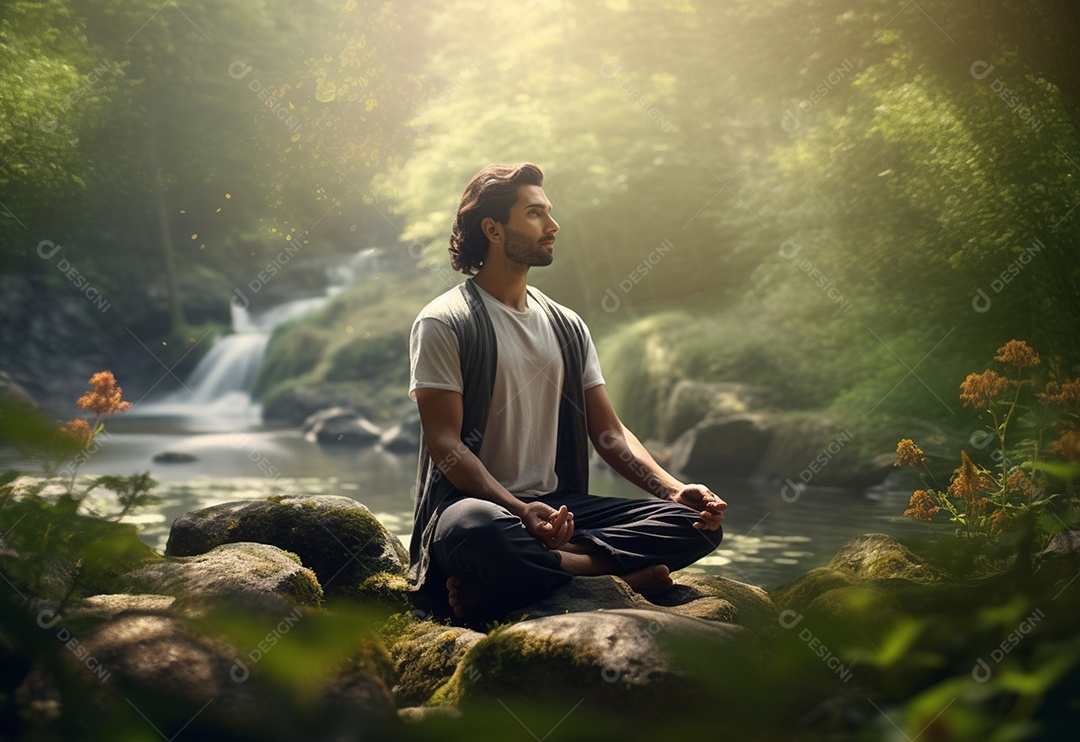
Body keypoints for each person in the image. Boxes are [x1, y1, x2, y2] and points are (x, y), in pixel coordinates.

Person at [407, 162, 727, 627]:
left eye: (549, 212)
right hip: (481, 511)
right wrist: (519, 510)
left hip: (561, 514)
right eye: (535, 213)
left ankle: (535, 583)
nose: (552, 225)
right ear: (493, 229)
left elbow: (610, 434)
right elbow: (446, 446)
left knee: (695, 526)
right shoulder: (445, 322)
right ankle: (618, 578)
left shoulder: (567, 325)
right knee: (474, 531)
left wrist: (675, 490)